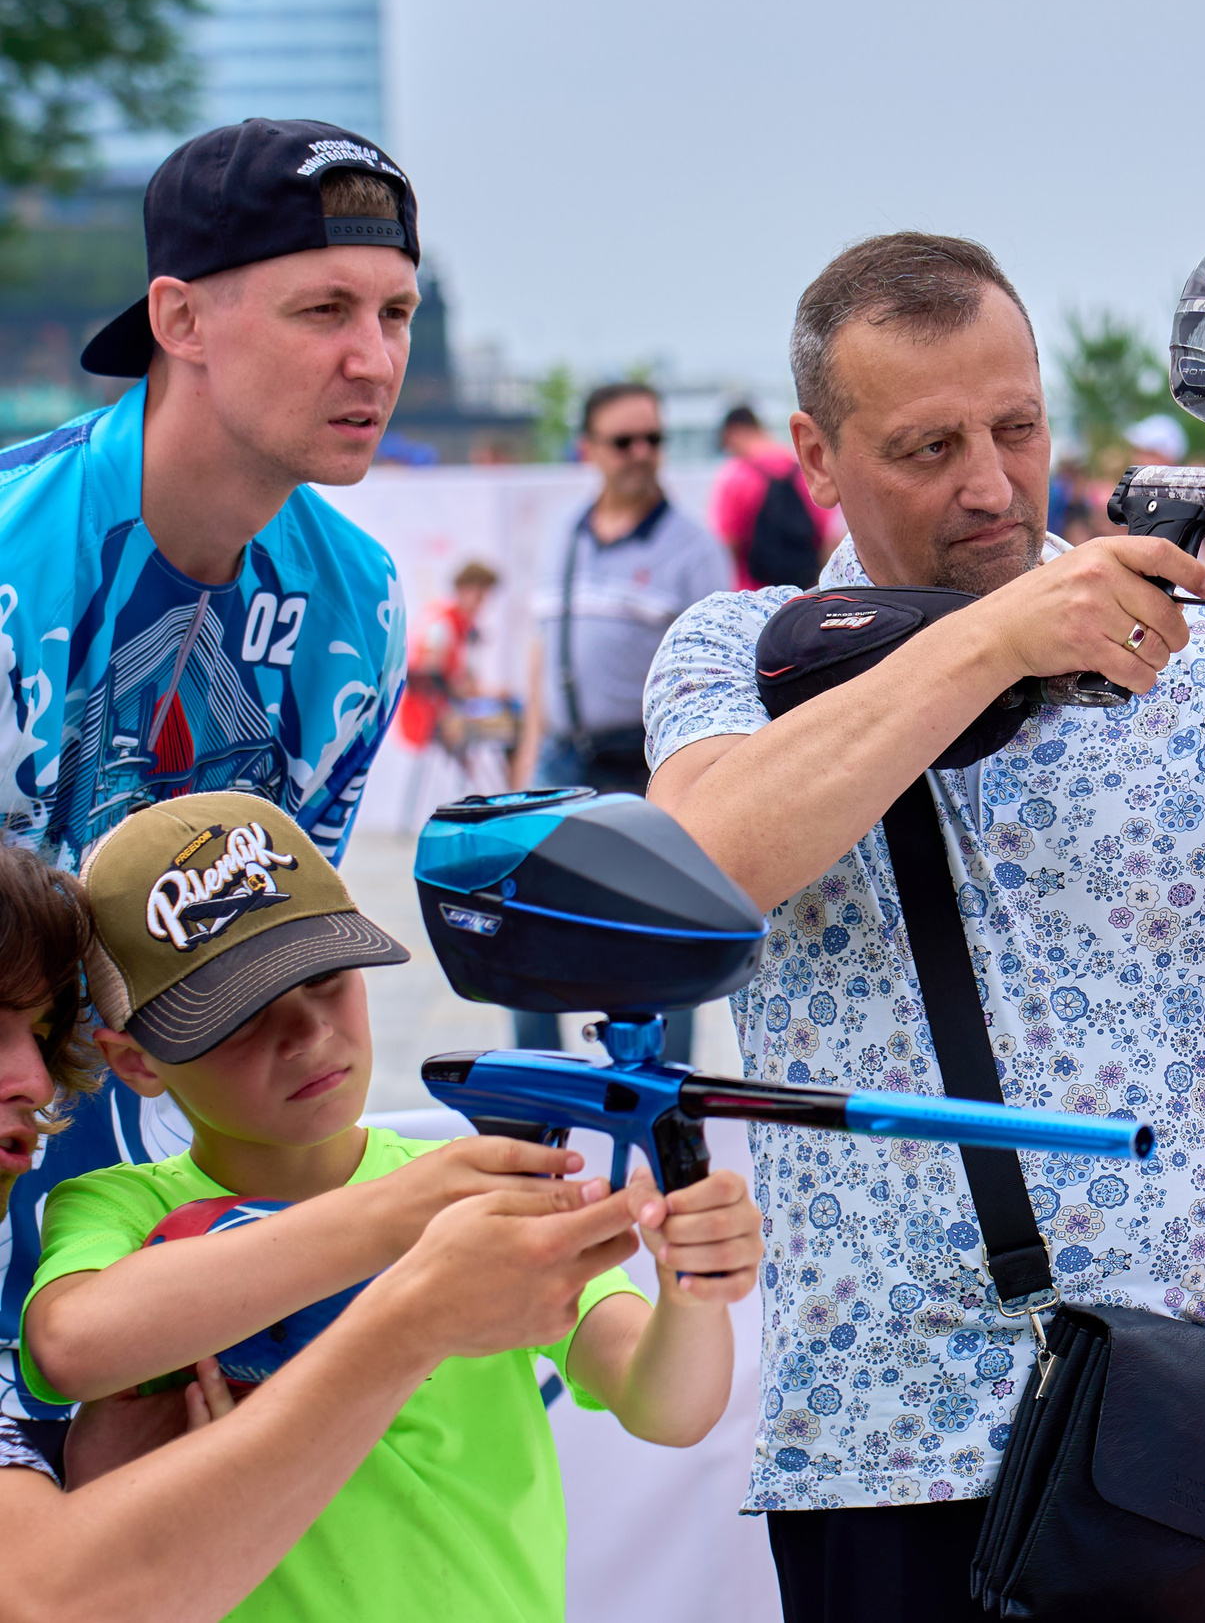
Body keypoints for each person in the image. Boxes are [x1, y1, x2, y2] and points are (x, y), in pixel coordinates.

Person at [641, 230, 1205, 1622]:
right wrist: (993, 640)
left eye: (1016, 425)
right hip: (896, 1441)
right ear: (816, 451)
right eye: (926, 447)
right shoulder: (739, 645)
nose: (988, 481)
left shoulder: (1199, 649)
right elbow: (708, 859)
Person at [17, 792, 761, 1623]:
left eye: (327, 979)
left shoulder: (470, 1191)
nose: (307, 1034)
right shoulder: (113, 1206)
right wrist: (397, 1215)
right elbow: (71, 1347)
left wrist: (695, 1287)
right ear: (137, 1061)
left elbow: (671, 1405)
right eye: (239, 1016)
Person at [0, 117, 413, 1441]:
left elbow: (272, 967)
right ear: (178, 316)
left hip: (125, 1185)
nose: (376, 357)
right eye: (323, 308)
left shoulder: (361, 607)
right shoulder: (12, 556)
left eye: (398, 310)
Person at [512, 381, 726, 1057]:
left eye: (654, 439)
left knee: (658, 938)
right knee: (524, 928)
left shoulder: (692, 548)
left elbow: (715, 673)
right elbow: (543, 654)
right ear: (589, 449)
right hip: (564, 760)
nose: (642, 453)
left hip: (644, 764)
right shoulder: (566, 537)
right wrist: (527, 762)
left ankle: (662, 1095)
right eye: (625, 440)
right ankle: (540, 1091)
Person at [709, 402, 840, 590]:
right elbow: (829, 538)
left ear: (733, 433)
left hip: (753, 600)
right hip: (806, 597)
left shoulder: (735, 475)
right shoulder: (807, 467)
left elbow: (726, 545)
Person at [394, 558, 500, 751]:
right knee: (513, 726)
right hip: (427, 718)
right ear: (463, 590)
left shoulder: (462, 627)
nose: (481, 606)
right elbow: (433, 679)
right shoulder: (442, 625)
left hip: (442, 713)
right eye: (479, 597)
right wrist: (487, 692)